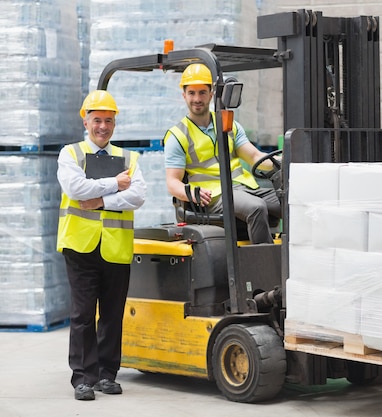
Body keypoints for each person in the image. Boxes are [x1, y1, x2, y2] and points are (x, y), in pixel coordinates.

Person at [56, 90, 147, 401]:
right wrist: (115, 184)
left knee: (111, 314)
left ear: (114, 123)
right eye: (97, 120)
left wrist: (103, 200)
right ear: (86, 121)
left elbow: (138, 196)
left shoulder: (129, 158)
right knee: (83, 314)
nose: (103, 127)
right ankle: (83, 377)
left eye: (108, 121)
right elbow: (75, 187)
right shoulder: (71, 154)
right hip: (80, 246)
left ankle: (107, 375)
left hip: (115, 247)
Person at [163, 63, 281, 244]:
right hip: (214, 196)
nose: (197, 98)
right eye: (192, 93)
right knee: (256, 208)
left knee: (289, 202)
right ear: (184, 95)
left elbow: (255, 157)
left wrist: (285, 162)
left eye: (202, 92)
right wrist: (191, 193)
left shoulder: (228, 124)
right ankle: (264, 269)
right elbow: (173, 182)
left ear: (211, 94)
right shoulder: (178, 135)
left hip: (244, 188)